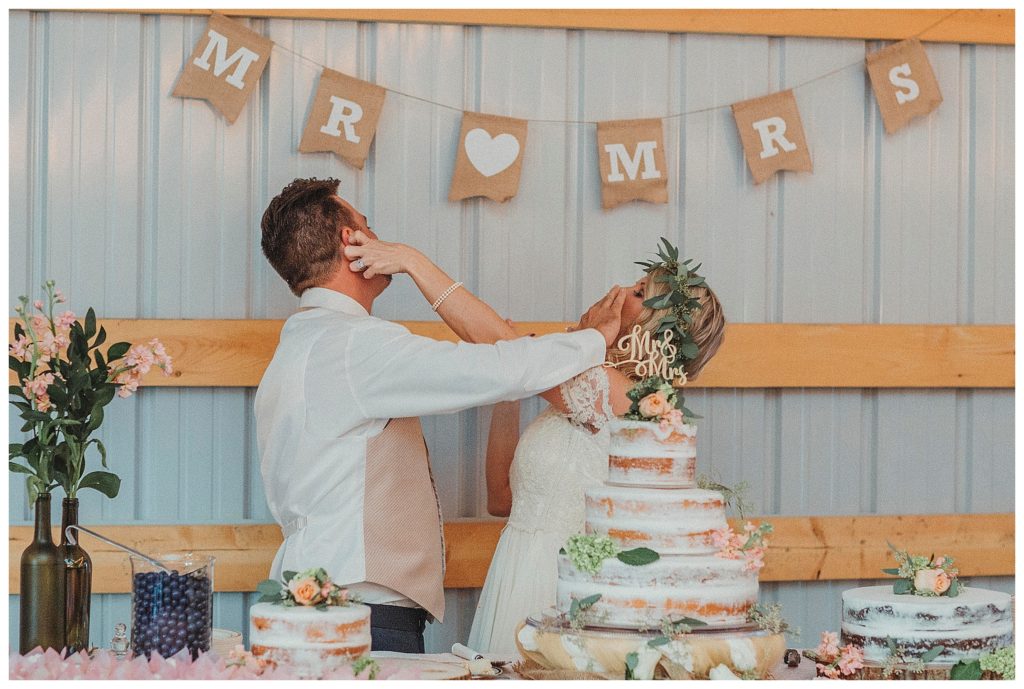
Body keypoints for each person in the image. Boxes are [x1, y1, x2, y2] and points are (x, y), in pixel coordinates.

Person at [255, 177, 628, 654]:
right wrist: (595, 338)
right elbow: (492, 370)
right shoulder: (353, 346)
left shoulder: (302, 344)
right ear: (353, 243)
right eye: (369, 228)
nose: (378, 237)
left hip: (318, 602)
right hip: (359, 613)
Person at [467, 261, 726, 655]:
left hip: (564, 591)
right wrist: (512, 390)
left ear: (653, 328)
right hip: (514, 578)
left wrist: (411, 262)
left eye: (639, 292)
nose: (620, 290)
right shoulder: (581, 391)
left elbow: (498, 344)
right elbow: (501, 500)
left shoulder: (626, 399)